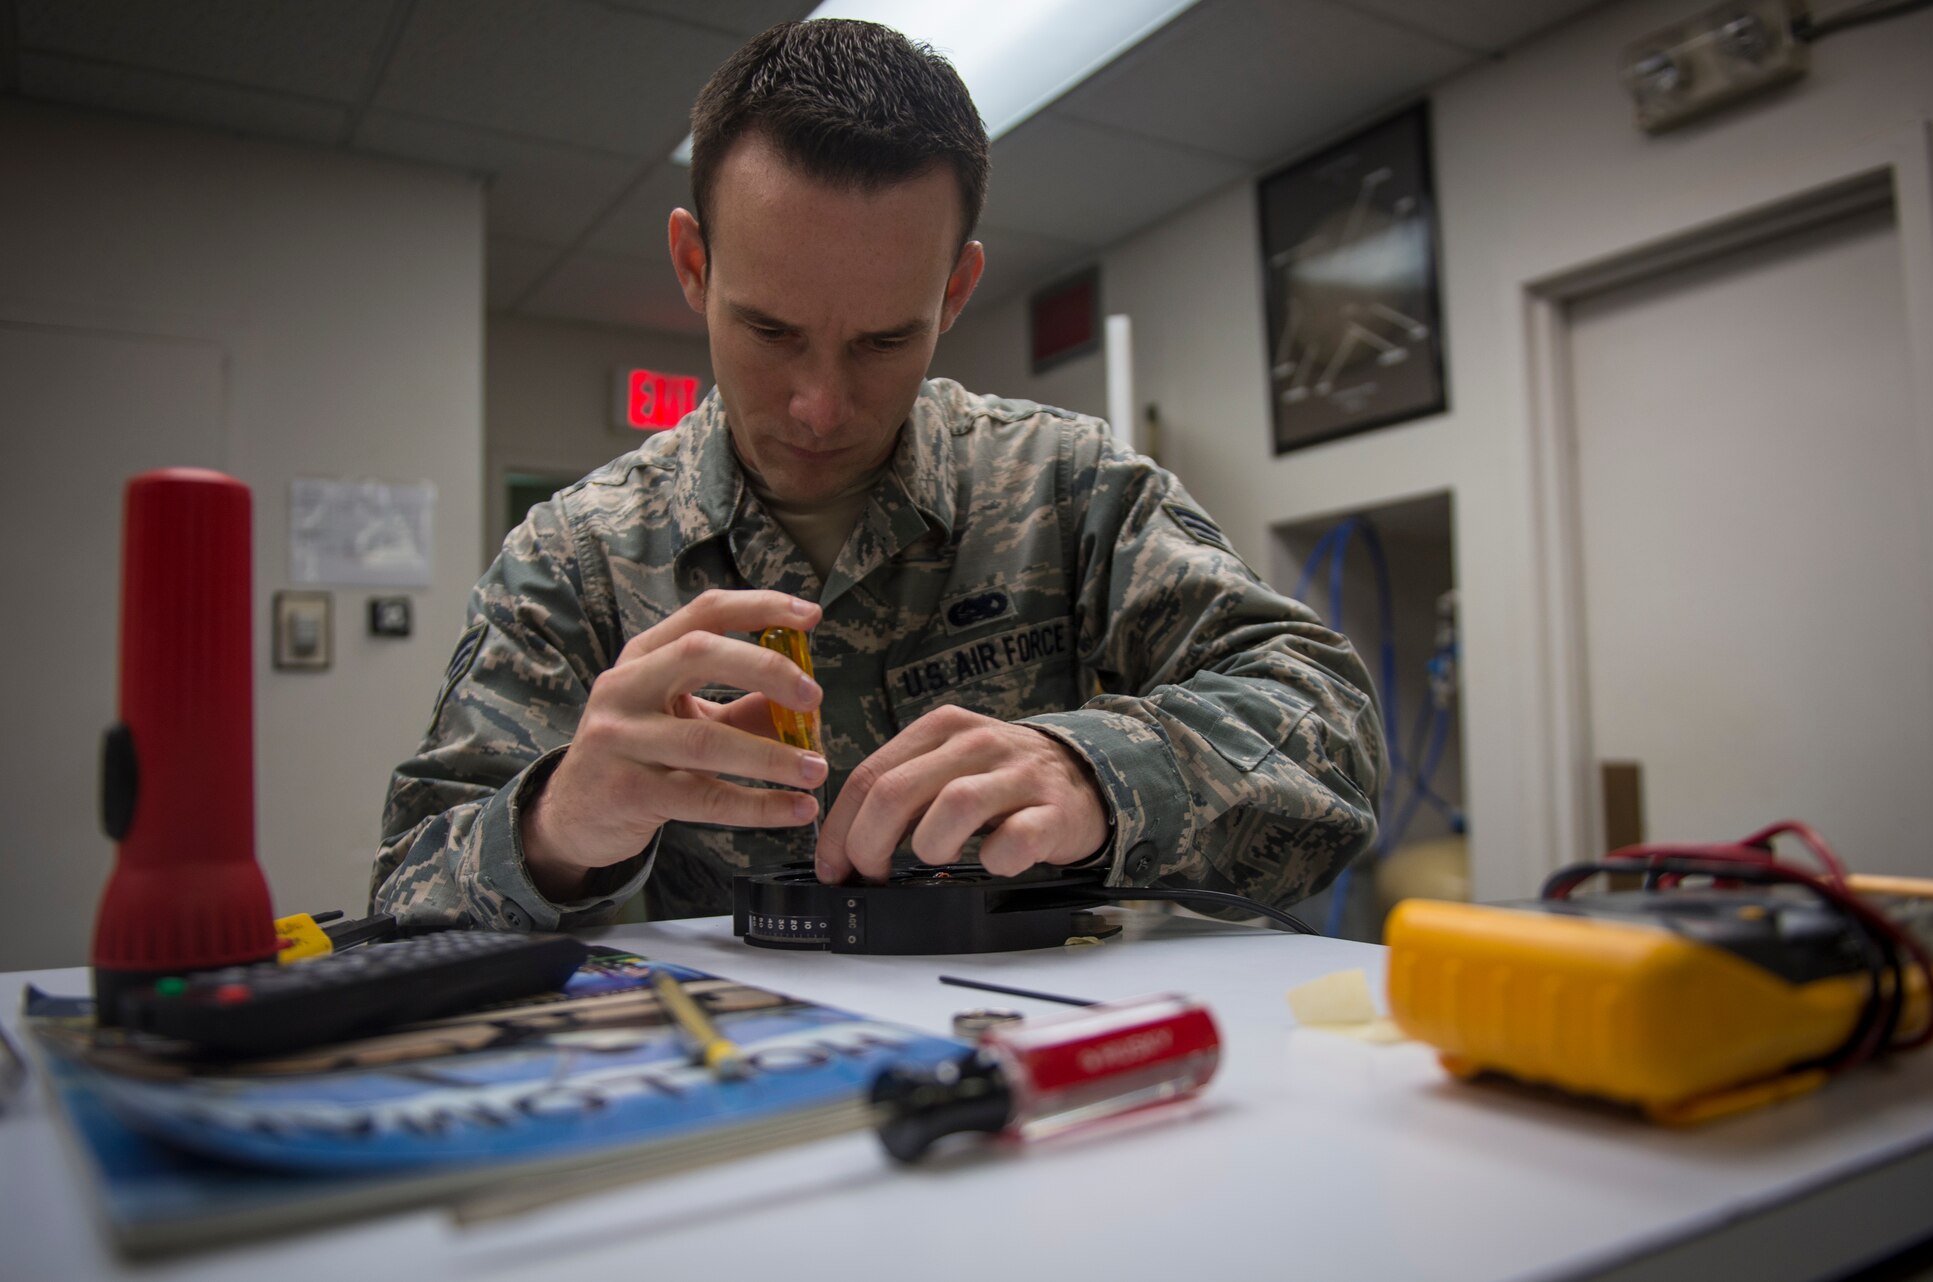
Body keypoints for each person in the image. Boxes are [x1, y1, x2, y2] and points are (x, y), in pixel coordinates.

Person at [371, 19, 1384, 933]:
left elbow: (1329, 733)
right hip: (744, 1082)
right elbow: (406, 892)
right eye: (770, 330)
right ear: (693, 265)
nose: (819, 403)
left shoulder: (1067, 489)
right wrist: (560, 822)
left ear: (953, 293)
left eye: (883, 339)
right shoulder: (576, 558)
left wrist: (1096, 772)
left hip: (1044, 1075)